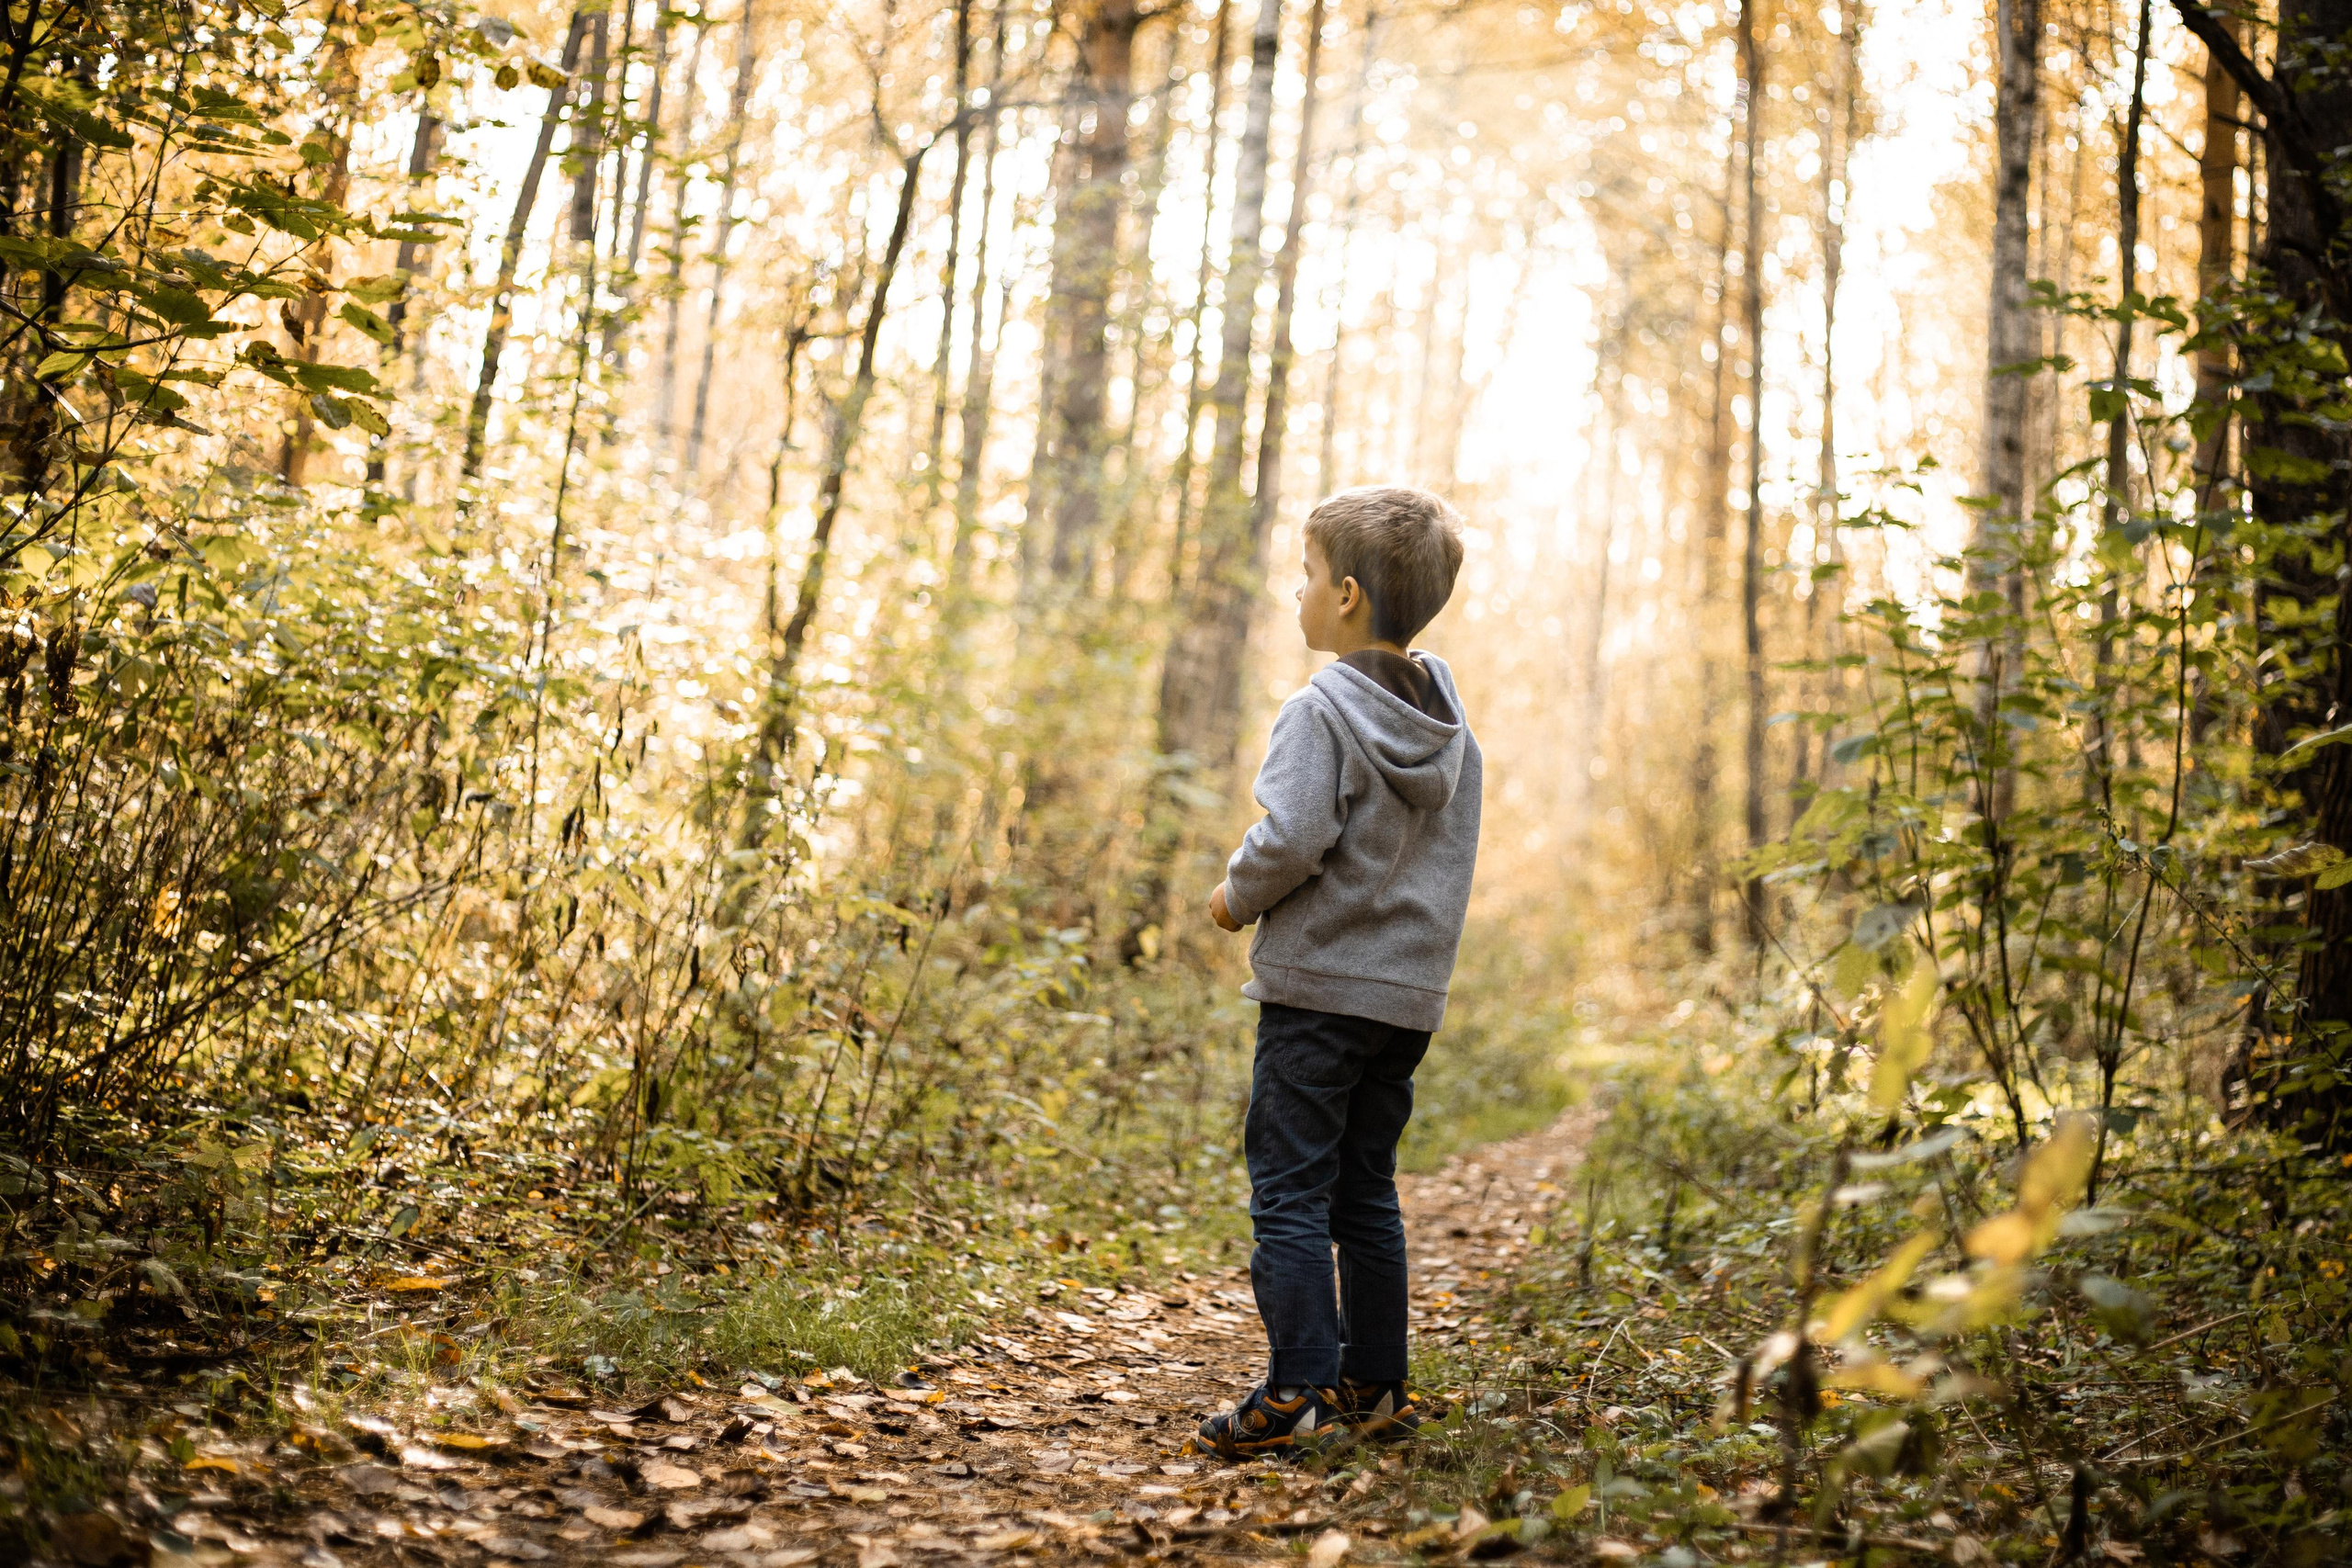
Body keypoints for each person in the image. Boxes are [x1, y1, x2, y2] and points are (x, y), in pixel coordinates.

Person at [1197, 485, 1483, 1460]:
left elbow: (1292, 837)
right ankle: (1374, 1386)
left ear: (1349, 594)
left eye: (1308, 574)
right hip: (1403, 1003)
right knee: (1365, 1190)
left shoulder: (1320, 710)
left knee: (1288, 1188)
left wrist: (1234, 897)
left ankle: (1294, 1390)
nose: (1298, 591)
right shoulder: (1449, 730)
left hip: (1318, 994)